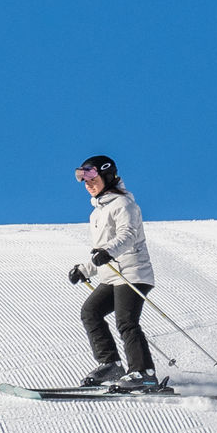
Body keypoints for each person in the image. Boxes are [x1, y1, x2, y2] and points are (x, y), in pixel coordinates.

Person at [67, 155, 158, 389]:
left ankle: (143, 373)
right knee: (91, 311)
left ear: (107, 176)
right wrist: (84, 269)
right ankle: (110, 365)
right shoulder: (96, 213)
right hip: (113, 275)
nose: (87, 183)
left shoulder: (124, 204)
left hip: (133, 272)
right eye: (82, 178)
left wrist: (108, 251)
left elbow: (127, 236)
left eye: (91, 177)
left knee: (126, 321)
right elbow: (100, 252)